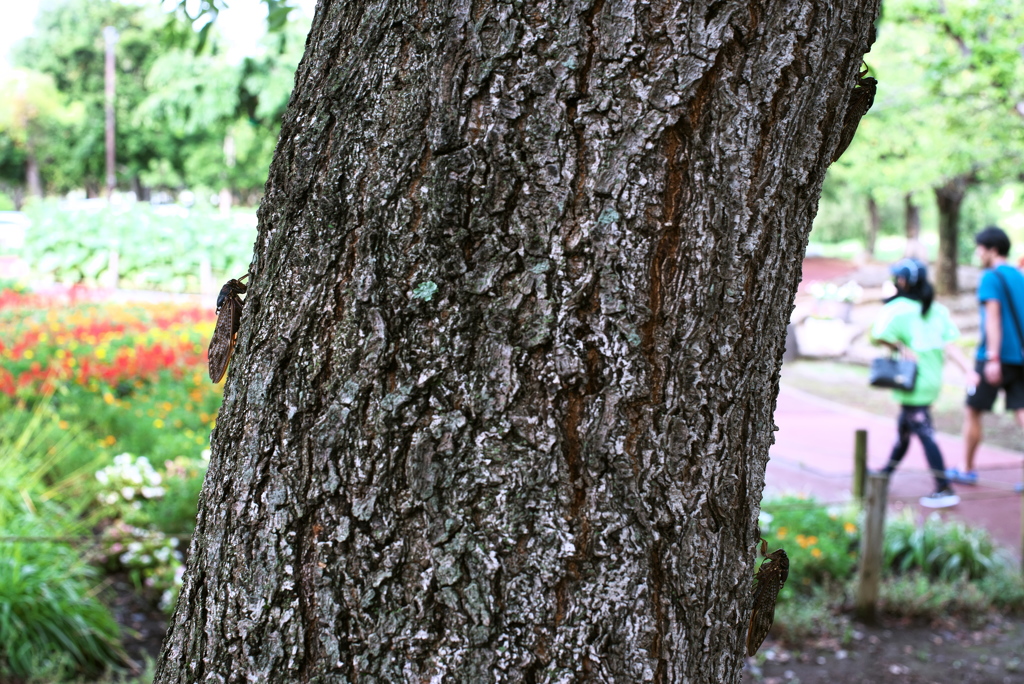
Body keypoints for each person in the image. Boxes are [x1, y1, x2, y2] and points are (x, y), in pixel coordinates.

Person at [872, 258, 972, 508]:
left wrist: (900, 346)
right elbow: (951, 344)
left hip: (911, 380)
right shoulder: (936, 308)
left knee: (924, 433)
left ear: (903, 281)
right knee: (905, 431)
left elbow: (877, 335)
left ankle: (944, 487)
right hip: (931, 379)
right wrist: (968, 370)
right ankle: (884, 474)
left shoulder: (897, 308)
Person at [951, 226, 1024, 484]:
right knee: (1021, 411)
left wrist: (993, 357)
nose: (978, 252)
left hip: (994, 357)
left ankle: (966, 468)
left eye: (980, 247)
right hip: (1020, 357)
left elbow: (993, 317)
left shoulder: (990, 277)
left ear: (993, 250)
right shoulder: (1019, 275)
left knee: (973, 411)